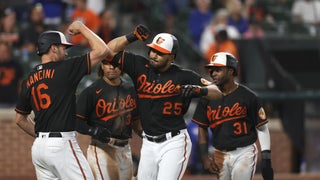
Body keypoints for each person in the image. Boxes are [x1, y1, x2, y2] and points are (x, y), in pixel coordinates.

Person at [106, 24, 222, 180]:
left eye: (160, 53)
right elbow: (109, 50)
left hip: (173, 142)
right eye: (153, 50)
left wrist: (200, 90)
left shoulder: (183, 75)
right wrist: (132, 37)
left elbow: (217, 92)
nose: (154, 55)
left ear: (171, 57)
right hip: (148, 143)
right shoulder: (140, 66)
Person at [14, 20, 109, 179]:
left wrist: (42, 138)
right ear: (53, 48)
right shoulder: (64, 68)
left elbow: (20, 119)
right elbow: (102, 50)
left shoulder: (29, 78)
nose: (66, 53)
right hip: (61, 145)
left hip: (39, 148)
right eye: (63, 48)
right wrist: (81, 27)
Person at [192, 52, 274, 180]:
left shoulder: (248, 96)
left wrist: (266, 156)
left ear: (230, 71)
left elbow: (262, 126)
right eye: (211, 70)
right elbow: (202, 127)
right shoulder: (207, 97)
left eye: (217, 69)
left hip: (244, 151)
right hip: (219, 152)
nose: (213, 73)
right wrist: (204, 157)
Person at [75, 59, 142, 180]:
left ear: (122, 65)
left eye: (115, 63)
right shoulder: (91, 91)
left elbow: (135, 121)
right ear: (102, 65)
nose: (112, 67)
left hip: (126, 149)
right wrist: (92, 131)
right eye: (107, 63)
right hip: (102, 148)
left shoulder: (130, 90)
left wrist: (146, 135)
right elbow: (77, 121)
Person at [0, 40, 23, 107]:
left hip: (12, 102)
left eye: (4, 52)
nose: (1, 54)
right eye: (0, 52)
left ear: (9, 52)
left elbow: (20, 84)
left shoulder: (16, 65)